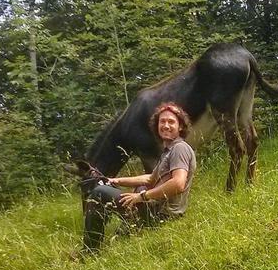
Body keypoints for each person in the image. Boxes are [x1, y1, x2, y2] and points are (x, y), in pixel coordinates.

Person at [82, 102, 197, 251]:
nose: (166, 125)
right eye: (162, 121)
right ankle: (129, 229)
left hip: (162, 215)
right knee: (140, 186)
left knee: (99, 193)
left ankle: (89, 251)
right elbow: (150, 179)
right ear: (157, 126)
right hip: (157, 211)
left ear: (180, 126)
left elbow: (178, 183)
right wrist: (115, 180)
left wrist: (142, 197)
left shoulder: (179, 148)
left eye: (171, 122)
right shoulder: (168, 151)